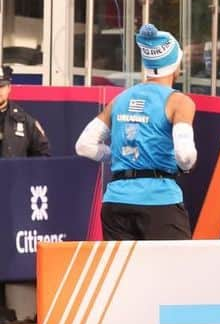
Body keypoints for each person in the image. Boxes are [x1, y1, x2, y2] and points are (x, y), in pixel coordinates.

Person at [75, 23, 196, 239]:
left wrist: (119, 156)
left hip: (116, 203)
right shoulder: (179, 102)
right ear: (175, 66)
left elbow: (84, 146)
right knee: (177, 271)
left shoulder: (120, 99)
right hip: (160, 201)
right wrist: (186, 166)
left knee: (125, 274)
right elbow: (185, 155)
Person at [0, 65, 50, 157]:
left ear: (9, 88)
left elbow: (42, 156)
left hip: (13, 171)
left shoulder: (25, 121)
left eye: (1, 86)